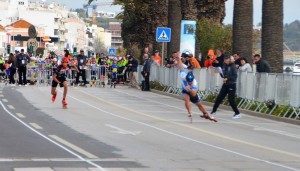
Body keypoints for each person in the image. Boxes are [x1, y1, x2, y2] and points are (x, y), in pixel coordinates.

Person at [175, 52, 217, 122]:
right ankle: (189, 113)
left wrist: (190, 88)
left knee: (199, 104)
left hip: (192, 91)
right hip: (185, 91)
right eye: (188, 81)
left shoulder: (194, 83)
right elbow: (180, 67)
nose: (190, 82)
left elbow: (194, 94)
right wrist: (179, 58)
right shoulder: (184, 76)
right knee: (186, 99)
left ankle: (205, 114)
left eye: (190, 81)